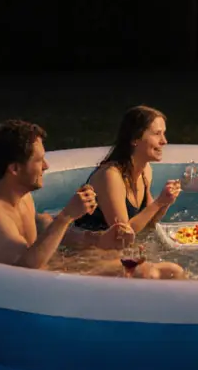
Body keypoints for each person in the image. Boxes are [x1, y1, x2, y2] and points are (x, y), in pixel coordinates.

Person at [0, 120, 135, 269]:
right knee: (140, 272)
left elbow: (40, 228)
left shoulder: (22, 198)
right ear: (14, 169)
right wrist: (66, 216)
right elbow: (26, 268)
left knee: (124, 260)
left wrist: (96, 240)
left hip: (45, 278)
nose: (46, 166)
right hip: (18, 299)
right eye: (39, 160)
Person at [73, 105, 186, 279]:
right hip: (91, 254)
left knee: (175, 270)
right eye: (157, 134)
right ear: (135, 139)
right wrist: (159, 202)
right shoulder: (110, 175)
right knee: (164, 272)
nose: (164, 141)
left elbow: (149, 224)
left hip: (117, 253)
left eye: (164, 133)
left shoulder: (145, 171)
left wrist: (165, 202)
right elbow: (123, 236)